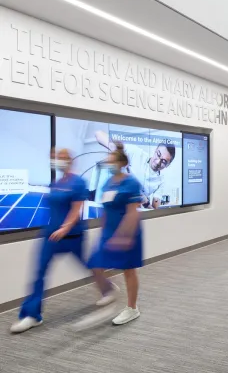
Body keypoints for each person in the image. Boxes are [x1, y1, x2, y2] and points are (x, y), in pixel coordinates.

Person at [10, 149, 114, 333]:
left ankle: (107, 288)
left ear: (70, 160)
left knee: (88, 266)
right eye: (57, 158)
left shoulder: (78, 183)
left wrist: (65, 227)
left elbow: (76, 209)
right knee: (39, 272)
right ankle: (32, 315)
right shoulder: (55, 184)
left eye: (63, 158)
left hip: (73, 236)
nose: (59, 161)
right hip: (51, 236)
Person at [88, 142, 144, 326]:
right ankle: (109, 289)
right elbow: (106, 209)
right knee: (95, 264)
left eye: (111, 161)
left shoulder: (131, 183)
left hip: (128, 232)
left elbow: (132, 213)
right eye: (108, 161)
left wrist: (124, 236)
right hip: (109, 231)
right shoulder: (107, 183)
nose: (108, 163)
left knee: (128, 270)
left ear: (121, 163)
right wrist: (103, 232)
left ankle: (132, 308)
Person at [95, 131, 175, 210]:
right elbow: (99, 134)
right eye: (158, 154)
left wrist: (146, 203)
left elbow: (154, 210)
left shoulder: (161, 181)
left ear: (168, 165)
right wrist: (118, 152)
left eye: (164, 162)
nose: (158, 162)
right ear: (155, 150)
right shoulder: (135, 153)